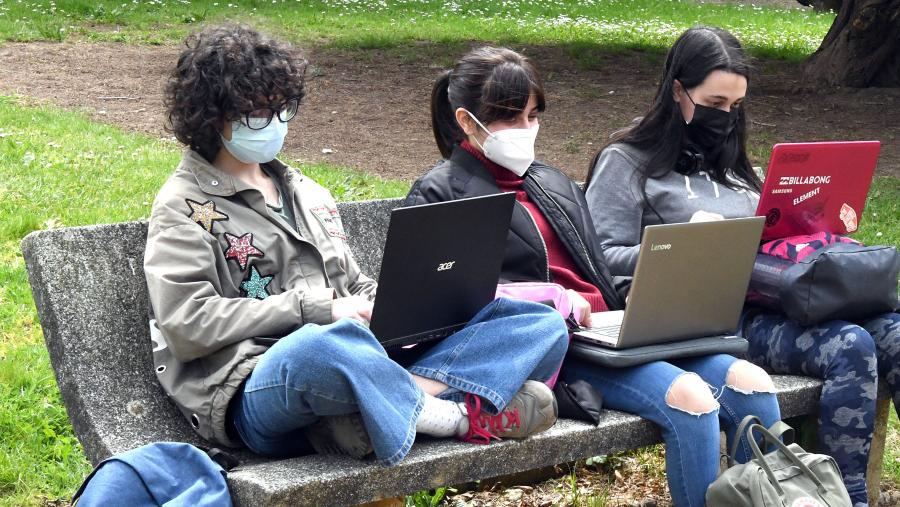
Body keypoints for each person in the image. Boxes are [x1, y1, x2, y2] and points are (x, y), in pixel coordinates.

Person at [144, 24, 569, 468]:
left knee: (538, 323)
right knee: (323, 345)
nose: (274, 124)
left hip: (360, 357)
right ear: (212, 116)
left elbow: (352, 284)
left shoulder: (306, 192)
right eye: (257, 115)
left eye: (283, 109)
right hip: (259, 382)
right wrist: (317, 310)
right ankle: (455, 417)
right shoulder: (183, 205)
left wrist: (398, 307)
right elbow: (185, 323)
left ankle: (374, 407)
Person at [405, 45, 781, 507]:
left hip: (612, 333)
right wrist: (554, 300)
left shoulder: (550, 182)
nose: (526, 130)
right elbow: (439, 306)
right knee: (692, 400)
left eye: (532, 115)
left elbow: (597, 274)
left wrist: (656, 295)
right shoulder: (443, 192)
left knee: (752, 384)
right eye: (509, 118)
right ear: (467, 121)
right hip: (555, 351)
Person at [584, 26, 900, 507]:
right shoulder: (627, 162)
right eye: (714, 104)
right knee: (851, 346)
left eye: (735, 107)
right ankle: (845, 497)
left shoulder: (730, 164)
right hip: (715, 319)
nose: (725, 118)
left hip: (776, 297)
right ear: (677, 91)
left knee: (894, 332)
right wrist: (685, 245)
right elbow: (601, 260)